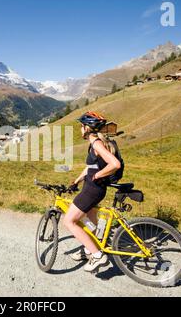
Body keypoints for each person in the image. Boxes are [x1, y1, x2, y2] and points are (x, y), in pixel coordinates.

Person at [63, 112, 121, 273]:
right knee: (91, 221)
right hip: (95, 189)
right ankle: (89, 248)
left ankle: (97, 256)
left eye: (81, 126)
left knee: (69, 221)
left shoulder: (96, 143)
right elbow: (91, 167)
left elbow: (114, 164)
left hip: (92, 191)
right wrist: (77, 180)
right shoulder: (96, 143)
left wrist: (97, 176)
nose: (80, 129)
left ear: (87, 128)